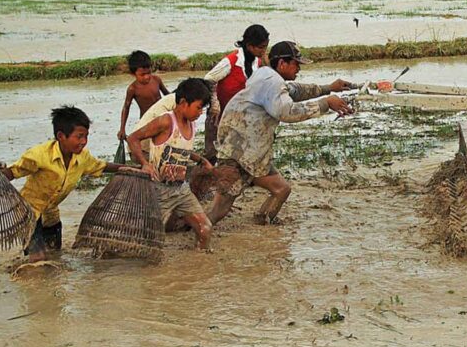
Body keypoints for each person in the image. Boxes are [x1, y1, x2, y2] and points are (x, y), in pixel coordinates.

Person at [205, 41, 354, 226]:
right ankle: (192, 227)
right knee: (220, 209)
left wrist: (328, 88)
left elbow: (295, 91)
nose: (298, 69)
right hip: (240, 152)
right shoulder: (271, 82)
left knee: (282, 189)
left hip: (249, 148)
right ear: (282, 64)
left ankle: (263, 224)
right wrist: (325, 103)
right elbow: (286, 112)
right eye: (296, 64)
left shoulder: (267, 75)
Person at [3, 106, 135, 261]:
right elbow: (13, 172)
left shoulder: (82, 158)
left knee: (54, 253)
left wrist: (131, 168)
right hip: (28, 212)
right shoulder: (38, 155)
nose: (83, 142)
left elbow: (102, 166)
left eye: (86, 136)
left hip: (50, 212)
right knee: (38, 258)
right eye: (79, 137)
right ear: (61, 136)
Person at [127, 78, 215, 251]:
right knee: (150, 239)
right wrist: (145, 163)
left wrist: (200, 160)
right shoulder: (165, 121)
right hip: (159, 190)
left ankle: (199, 267)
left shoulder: (192, 124)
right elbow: (133, 138)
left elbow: (181, 150)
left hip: (181, 190)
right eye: (198, 107)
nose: (200, 113)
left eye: (202, 109)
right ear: (183, 103)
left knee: (205, 229)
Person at [202, 24, 271, 161]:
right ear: (250, 46)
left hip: (239, 115)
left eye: (266, 47)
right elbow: (209, 78)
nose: (264, 51)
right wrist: (214, 103)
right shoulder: (232, 61)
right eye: (261, 47)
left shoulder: (256, 62)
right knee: (214, 153)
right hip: (220, 114)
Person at [117, 50, 170, 142]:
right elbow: (126, 107)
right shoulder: (132, 89)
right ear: (133, 74)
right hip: (146, 120)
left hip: (162, 117)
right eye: (142, 74)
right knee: (147, 144)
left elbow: (168, 96)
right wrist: (122, 128)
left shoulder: (156, 80)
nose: (147, 77)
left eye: (149, 73)